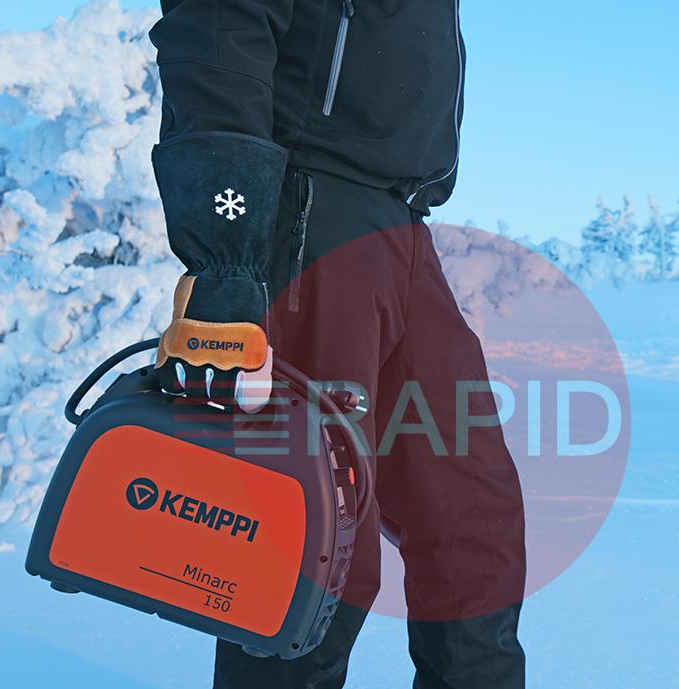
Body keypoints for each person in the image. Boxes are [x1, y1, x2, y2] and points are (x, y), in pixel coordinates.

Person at [145, 1, 527, 687]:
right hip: (310, 213)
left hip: (404, 229)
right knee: (317, 541)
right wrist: (227, 264)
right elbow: (220, 27)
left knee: (474, 523)